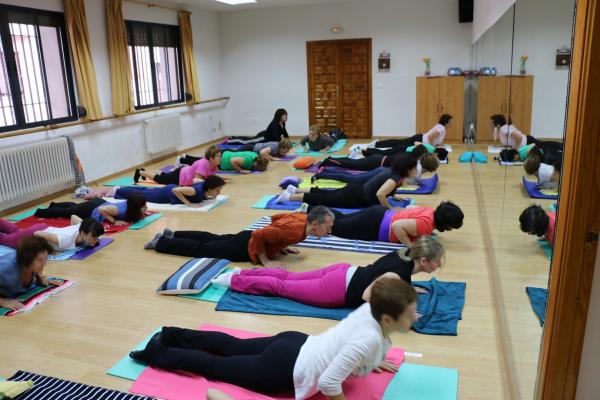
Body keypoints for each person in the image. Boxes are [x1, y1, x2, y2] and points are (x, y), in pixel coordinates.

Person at [129, 277, 417, 399]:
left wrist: (367, 362)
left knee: (231, 345)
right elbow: (330, 382)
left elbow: (354, 344)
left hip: (295, 342)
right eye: (410, 313)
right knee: (214, 366)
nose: (415, 318)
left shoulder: (370, 311)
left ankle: (171, 333)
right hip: (285, 370)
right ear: (389, 319)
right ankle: (155, 352)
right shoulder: (370, 340)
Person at [212, 236, 443, 309]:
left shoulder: (403, 255)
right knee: (281, 287)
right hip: (335, 290)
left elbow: (394, 278)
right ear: (424, 260)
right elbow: (367, 297)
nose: (439, 265)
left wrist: (409, 289)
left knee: (287, 278)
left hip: (343, 271)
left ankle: (242, 272)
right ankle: (233, 280)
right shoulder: (399, 272)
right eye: (437, 262)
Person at [145, 206, 335, 269]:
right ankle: (161, 242)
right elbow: (260, 234)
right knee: (202, 250)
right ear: (316, 224)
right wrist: (266, 260)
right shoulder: (294, 232)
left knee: (211, 238)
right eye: (328, 227)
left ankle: (174, 233)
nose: (330, 232)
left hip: (244, 238)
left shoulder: (302, 218)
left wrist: (280, 245)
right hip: (244, 247)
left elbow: (276, 219)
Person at [276, 153, 418, 210]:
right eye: (414, 168)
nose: (415, 172)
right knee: (324, 200)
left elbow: (386, 190)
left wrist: (395, 197)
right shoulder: (395, 177)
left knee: (325, 193)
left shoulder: (395, 174)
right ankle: (289, 197)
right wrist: (391, 209)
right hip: (355, 197)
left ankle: (294, 190)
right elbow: (381, 194)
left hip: (356, 190)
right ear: (407, 168)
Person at [324, 201, 463, 246]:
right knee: (334, 228)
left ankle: (311, 211)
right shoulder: (426, 225)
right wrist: (411, 246)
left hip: (378, 213)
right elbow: (397, 226)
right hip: (374, 225)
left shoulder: (430, 211)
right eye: (451, 227)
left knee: (340, 218)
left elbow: (409, 208)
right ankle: (309, 218)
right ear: (446, 224)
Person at [0, 236, 58, 311]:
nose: (44, 263)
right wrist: (3, 302)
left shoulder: (30, 265)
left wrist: (40, 278)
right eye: (40, 260)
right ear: (27, 260)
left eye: (46, 258)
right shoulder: (6, 268)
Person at [314, 152, 439, 185]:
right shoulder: (416, 169)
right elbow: (411, 182)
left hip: (379, 160)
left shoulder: (417, 164)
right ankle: (329, 161)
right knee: (352, 164)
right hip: (377, 163)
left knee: (353, 163)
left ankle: (328, 167)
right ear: (430, 168)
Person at [34, 193, 147, 225]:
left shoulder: (131, 206)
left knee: (73, 206)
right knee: (67, 212)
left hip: (98, 203)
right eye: (144, 206)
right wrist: (114, 221)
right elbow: (102, 210)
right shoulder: (120, 211)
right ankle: (40, 212)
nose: (146, 208)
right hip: (93, 209)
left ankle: (54, 204)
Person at [112, 176, 226, 207]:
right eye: (217, 190)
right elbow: (176, 190)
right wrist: (189, 204)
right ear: (210, 188)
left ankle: (121, 189)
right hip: (167, 194)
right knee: (143, 195)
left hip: (170, 189)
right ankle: (118, 191)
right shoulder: (194, 191)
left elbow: (195, 179)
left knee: (146, 190)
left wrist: (212, 195)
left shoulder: (205, 187)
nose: (219, 193)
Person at [0, 216, 104, 251]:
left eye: (97, 236)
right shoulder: (65, 240)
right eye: (94, 236)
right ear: (83, 233)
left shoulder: (82, 226)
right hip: (33, 234)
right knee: (3, 240)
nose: (96, 239)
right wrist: (49, 250)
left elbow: (73, 217)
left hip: (44, 227)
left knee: (14, 231)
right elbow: (37, 234)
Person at [136, 146, 222, 185]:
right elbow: (196, 180)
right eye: (218, 156)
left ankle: (157, 172)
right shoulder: (203, 165)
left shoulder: (214, 166)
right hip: (180, 175)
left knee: (165, 176)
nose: (220, 158)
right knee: (160, 180)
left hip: (183, 172)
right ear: (211, 158)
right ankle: (140, 172)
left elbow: (209, 178)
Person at [179, 139, 293, 164]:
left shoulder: (278, 148)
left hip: (250, 150)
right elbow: (263, 153)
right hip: (250, 149)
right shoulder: (274, 147)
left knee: (224, 153)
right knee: (226, 152)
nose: (286, 153)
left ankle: (188, 157)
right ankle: (187, 157)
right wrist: (274, 159)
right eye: (286, 150)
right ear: (282, 147)